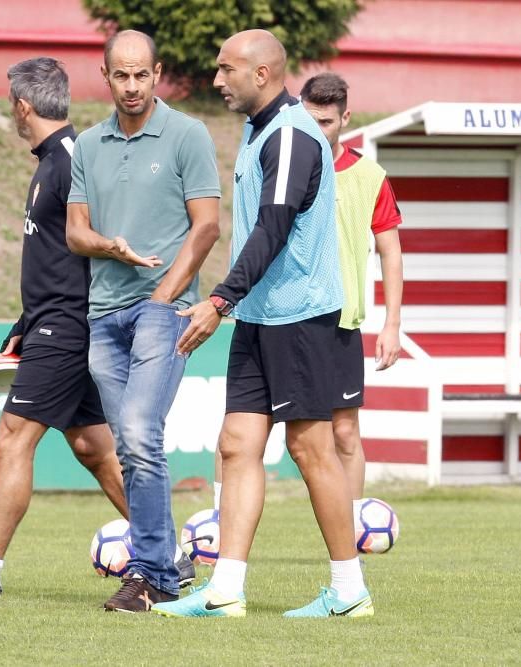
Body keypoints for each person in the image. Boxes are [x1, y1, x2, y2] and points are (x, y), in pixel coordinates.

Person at [152, 29, 372, 619]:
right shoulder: (259, 129)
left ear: (263, 74)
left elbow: (272, 230)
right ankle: (225, 590)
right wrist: (237, 305)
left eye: (227, 70)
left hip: (298, 315)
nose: (217, 81)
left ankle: (349, 590)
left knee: (311, 449)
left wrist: (219, 300)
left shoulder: (294, 138)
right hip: (260, 314)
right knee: (236, 445)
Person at [0, 57, 128, 598]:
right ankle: (168, 551)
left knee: (11, 440)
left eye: (10, 101)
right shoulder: (53, 160)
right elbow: (57, 257)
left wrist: (60, 322)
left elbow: (107, 240)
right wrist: (24, 323)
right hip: (52, 324)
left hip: (68, 327)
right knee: (92, 447)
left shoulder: (73, 159)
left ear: (22, 105)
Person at [66, 30, 221, 612]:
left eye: (141, 75)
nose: (132, 86)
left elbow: (206, 226)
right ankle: (162, 570)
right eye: (121, 76)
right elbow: (75, 232)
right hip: (102, 317)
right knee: (131, 447)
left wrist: (161, 297)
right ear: (105, 77)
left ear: (156, 75)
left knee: (136, 432)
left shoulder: (187, 134)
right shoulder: (88, 144)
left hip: (166, 309)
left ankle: (152, 573)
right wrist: (112, 246)